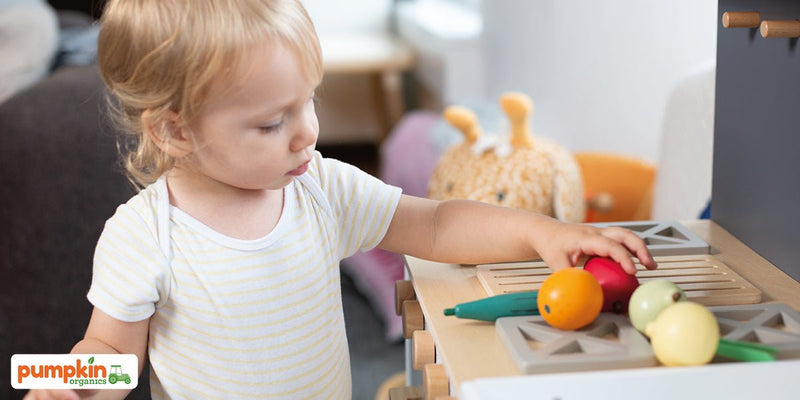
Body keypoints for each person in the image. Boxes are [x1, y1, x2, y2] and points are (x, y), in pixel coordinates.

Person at [24, 0, 656, 399]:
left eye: (310, 101)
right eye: (273, 122)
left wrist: (540, 234)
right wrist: (68, 385)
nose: (309, 132)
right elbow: (111, 355)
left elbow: (434, 226)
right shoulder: (143, 236)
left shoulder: (319, 187)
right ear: (176, 130)